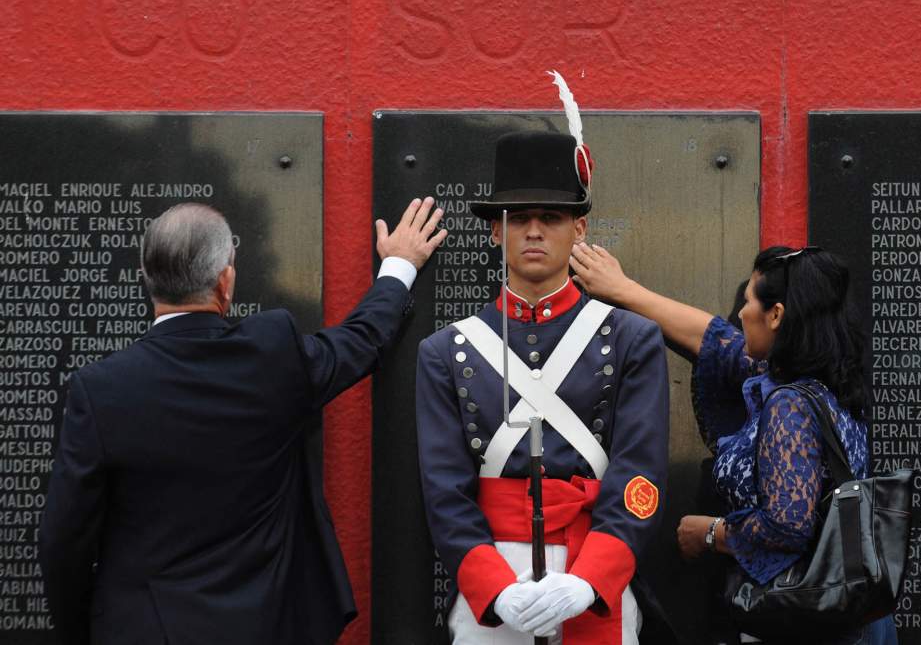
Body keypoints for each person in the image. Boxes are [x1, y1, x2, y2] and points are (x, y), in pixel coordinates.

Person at [39, 198, 446, 645]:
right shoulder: (273, 355)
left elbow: (64, 540)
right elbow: (361, 340)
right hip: (264, 627)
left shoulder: (99, 388)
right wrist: (400, 266)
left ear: (147, 280)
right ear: (225, 281)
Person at [570, 243, 898, 645]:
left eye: (748, 302)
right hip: (854, 619)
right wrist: (623, 290)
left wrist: (710, 532)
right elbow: (713, 339)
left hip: (804, 622)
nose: (740, 314)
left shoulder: (789, 404)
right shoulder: (830, 383)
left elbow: (788, 524)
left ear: (775, 315)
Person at [415, 130, 671, 644]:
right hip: (494, 586)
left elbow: (640, 477)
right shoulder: (444, 351)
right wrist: (495, 588)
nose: (534, 231)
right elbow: (445, 494)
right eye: (518, 219)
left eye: (550, 218)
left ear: (579, 229)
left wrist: (589, 581)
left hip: (595, 573)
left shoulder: (632, 339)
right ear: (494, 232)